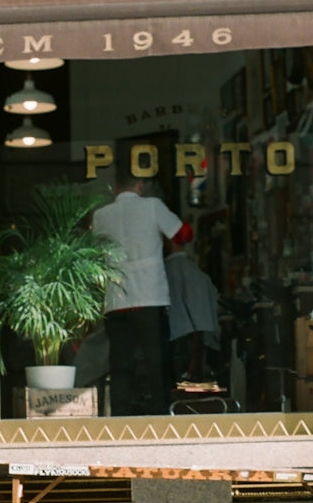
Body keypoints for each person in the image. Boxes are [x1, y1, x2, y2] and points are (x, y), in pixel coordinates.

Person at [92, 172, 192, 415]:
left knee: (120, 366)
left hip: (116, 300)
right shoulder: (153, 206)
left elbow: (95, 253)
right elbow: (184, 235)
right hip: (150, 297)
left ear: (116, 188)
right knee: (156, 363)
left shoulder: (101, 215)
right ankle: (159, 415)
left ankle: (121, 418)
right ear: (140, 184)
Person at [164, 235, 220, 383]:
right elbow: (203, 315)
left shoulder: (163, 270)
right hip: (187, 336)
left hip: (173, 336)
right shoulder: (195, 272)